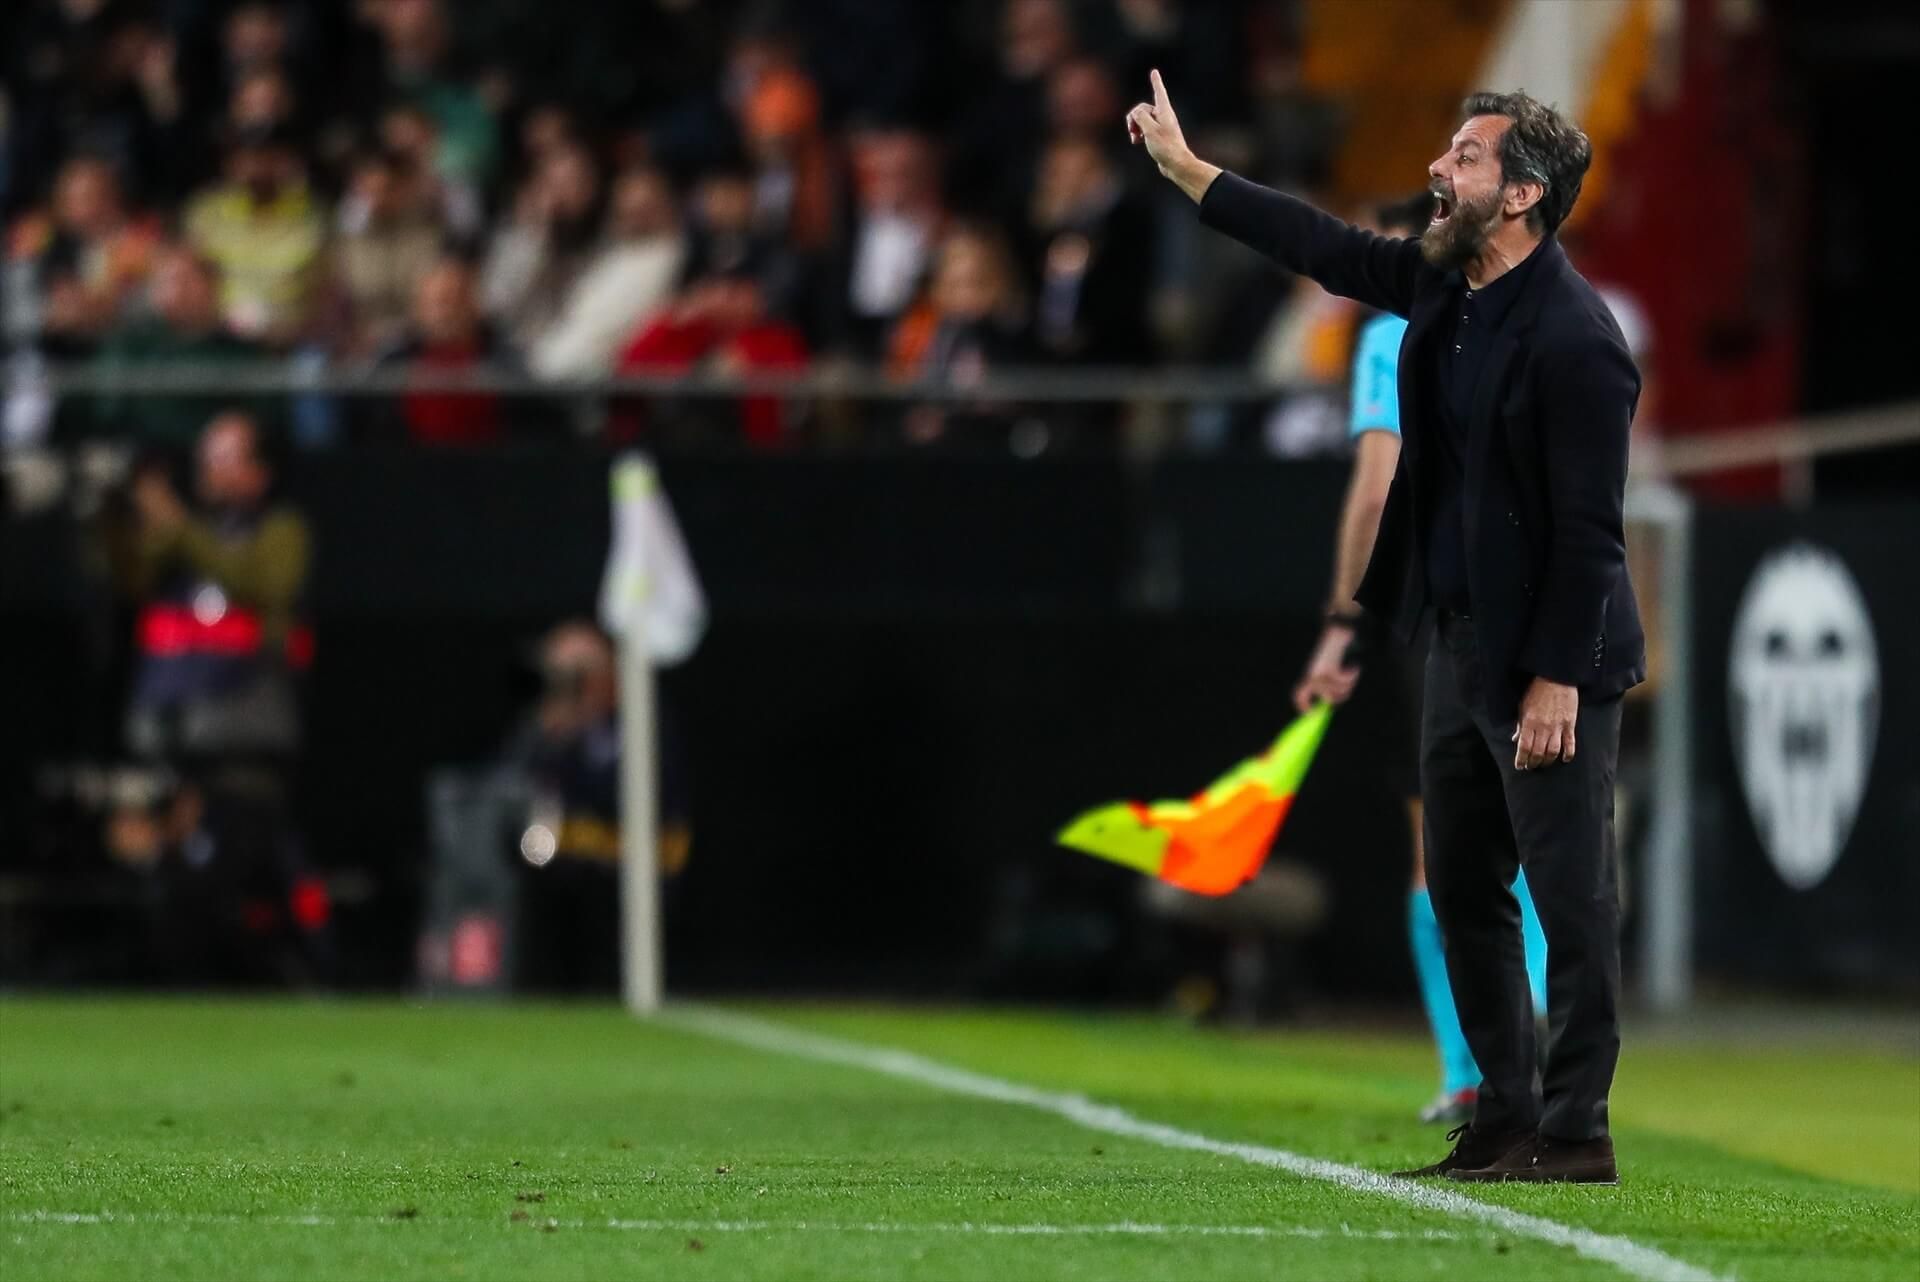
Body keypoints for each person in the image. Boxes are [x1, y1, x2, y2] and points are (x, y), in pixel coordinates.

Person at [1132, 76, 1642, 1184]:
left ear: (1522, 195)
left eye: (1465, 156)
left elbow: (1591, 532)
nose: (1437, 170)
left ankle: (1576, 1132)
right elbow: (1320, 246)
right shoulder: (1440, 285)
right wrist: (1192, 173)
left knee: (1570, 898)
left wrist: (1558, 678)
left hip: (1553, 657)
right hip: (1458, 640)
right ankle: (1502, 1114)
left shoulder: (1579, 340)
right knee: (1460, 887)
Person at [1293, 191, 1548, 1126]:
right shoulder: (1536, 314)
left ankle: (1466, 1066)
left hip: (1436, 607)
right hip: (1536, 594)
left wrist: (1342, 623)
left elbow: (1375, 490)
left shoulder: (1393, 333)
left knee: (1437, 845)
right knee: (1538, 824)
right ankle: (1537, 1001)